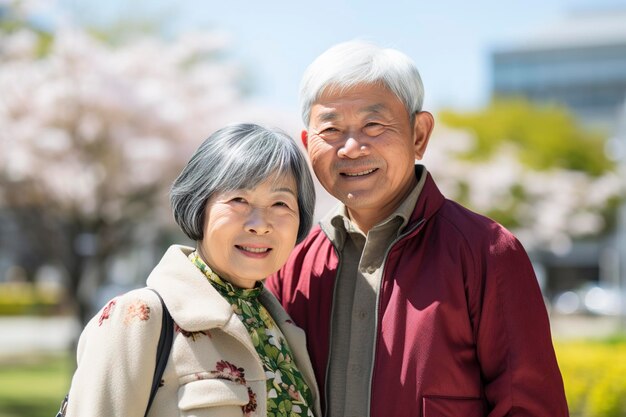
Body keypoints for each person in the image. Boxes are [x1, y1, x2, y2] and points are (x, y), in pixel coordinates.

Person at [266, 40, 569, 417]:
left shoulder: (486, 251)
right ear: (308, 144)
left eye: (373, 125)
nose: (351, 147)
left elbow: (527, 407)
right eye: (331, 130)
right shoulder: (290, 261)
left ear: (419, 135)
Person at [64, 123, 321, 417]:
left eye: (280, 203)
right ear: (199, 205)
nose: (259, 224)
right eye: (239, 199)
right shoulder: (139, 317)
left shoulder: (283, 330)